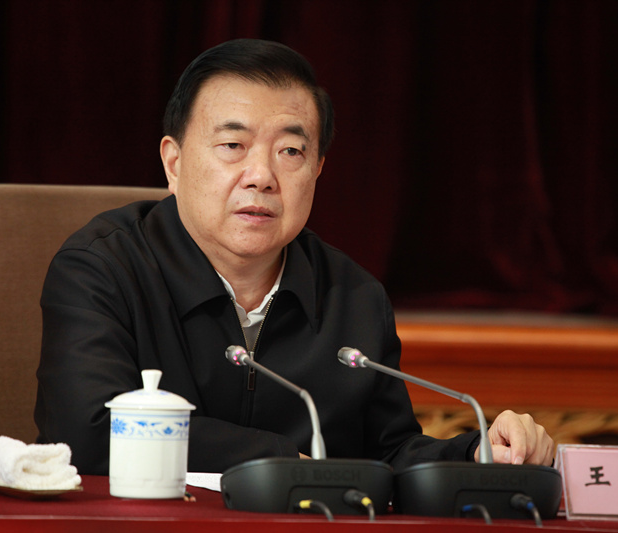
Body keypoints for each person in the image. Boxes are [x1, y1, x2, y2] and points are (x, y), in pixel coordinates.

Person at [34, 38, 555, 475]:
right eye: (233, 146)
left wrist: (479, 452)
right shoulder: (102, 269)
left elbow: (388, 453)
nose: (262, 176)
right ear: (173, 162)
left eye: (290, 151)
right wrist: (282, 460)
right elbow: (88, 430)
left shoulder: (354, 297)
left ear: (318, 170)